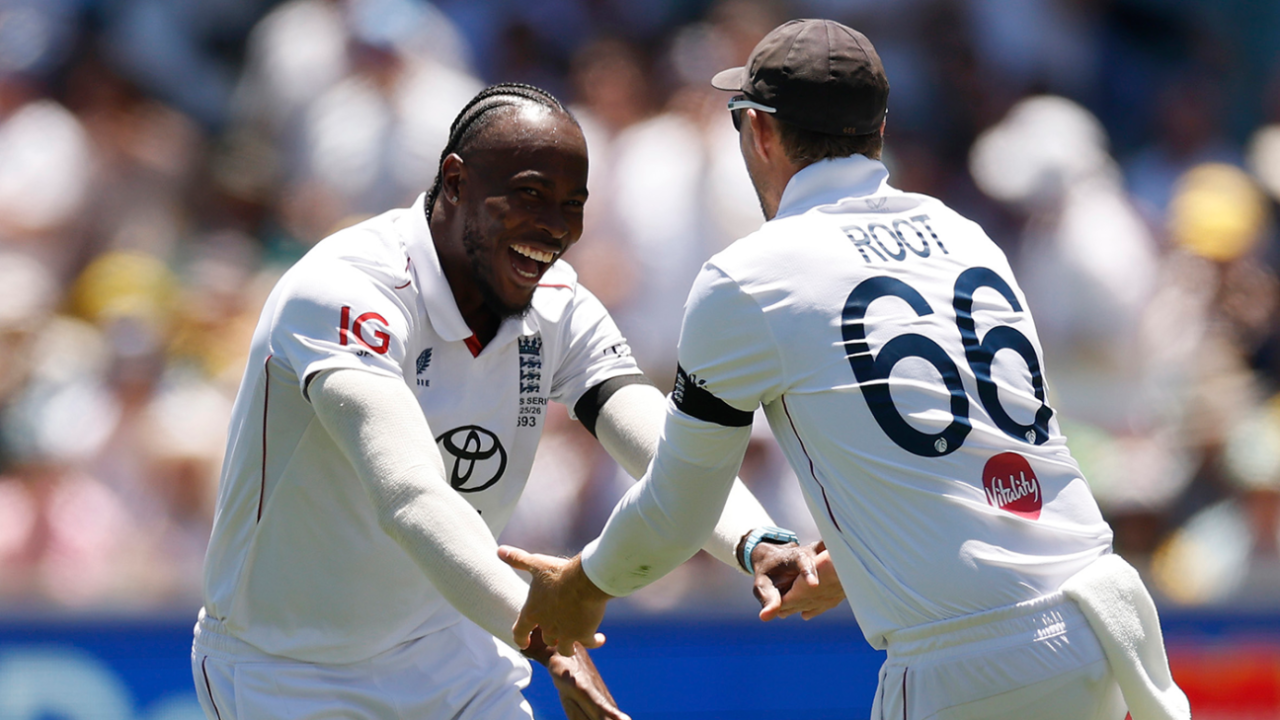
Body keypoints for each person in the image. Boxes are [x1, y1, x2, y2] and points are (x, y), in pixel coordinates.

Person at [500, 21, 1191, 720]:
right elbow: (980, 452)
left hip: (972, 663)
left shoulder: (748, 278)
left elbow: (681, 508)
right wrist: (859, 558)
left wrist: (584, 584)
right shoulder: (966, 235)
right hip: (1106, 622)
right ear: (880, 130)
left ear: (758, 131)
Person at [190, 82, 795, 720]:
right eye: (530, 194)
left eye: (573, 204)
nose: (555, 227)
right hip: (284, 670)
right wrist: (547, 638)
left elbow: (660, 441)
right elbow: (410, 496)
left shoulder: (558, 303)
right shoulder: (344, 288)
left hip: (453, 655)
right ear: (455, 181)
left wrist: (759, 541)